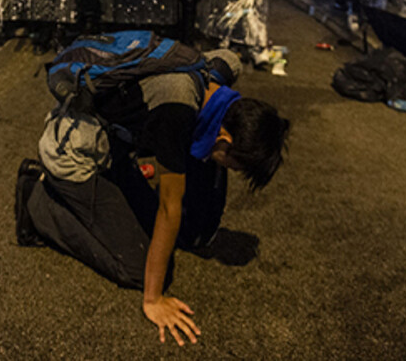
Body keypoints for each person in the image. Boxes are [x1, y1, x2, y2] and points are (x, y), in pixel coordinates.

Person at [15, 48, 289, 345]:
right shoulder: (177, 109)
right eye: (234, 165)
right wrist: (153, 299)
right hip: (74, 157)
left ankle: (84, 193)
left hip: (113, 148)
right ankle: (38, 202)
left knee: (172, 231)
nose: (232, 171)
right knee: (138, 268)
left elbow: (230, 56)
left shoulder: (218, 78)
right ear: (225, 139)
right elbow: (169, 210)